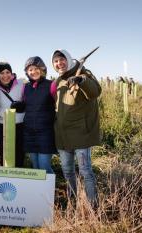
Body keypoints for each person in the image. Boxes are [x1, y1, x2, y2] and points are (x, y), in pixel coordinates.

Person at [51, 49, 101, 207]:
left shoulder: (84, 74)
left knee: (86, 171)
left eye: (62, 59)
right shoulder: (58, 81)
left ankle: (93, 206)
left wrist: (80, 80)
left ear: (68, 59)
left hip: (81, 135)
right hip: (63, 136)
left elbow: (95, 91)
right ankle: (73, 202)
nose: (59, 63)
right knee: (67, 171)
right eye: (56, 61)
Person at [23, 56, 56, 174]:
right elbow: (26, 105)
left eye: (36, 68)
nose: (33, 71)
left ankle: (51, 190)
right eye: (30, 69)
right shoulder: (26, 87)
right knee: (36, 168)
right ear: (27, 72)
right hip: (30, 132)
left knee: (44, 167)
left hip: (45, 132)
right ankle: (40, 193)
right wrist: (19, 105)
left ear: (42, 69)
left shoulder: (51, 85)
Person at [0, 62, 25, 167]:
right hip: (3, 125)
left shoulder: (21, 83)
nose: (5, 75)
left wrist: (23, 105)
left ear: (11, 73)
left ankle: (18, 180)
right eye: (2, 73)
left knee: (20, 156)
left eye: (8, 72)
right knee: (4, 157)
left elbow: (29, 100)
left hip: (19, 125)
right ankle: (5, 181)